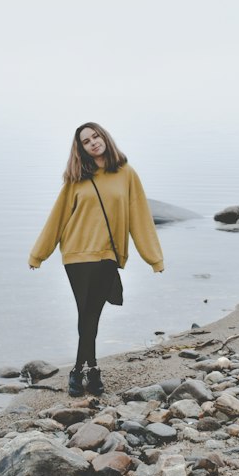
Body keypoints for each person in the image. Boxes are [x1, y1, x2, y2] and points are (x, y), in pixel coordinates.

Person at [29, 122, 164, 398]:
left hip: (107, 256)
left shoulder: (126, 174)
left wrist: (154, 257)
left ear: (104, 137)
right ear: (82, 150)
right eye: (86, 141)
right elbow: (57, 218)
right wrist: (39, 253)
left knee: (91, 314)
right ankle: (86, 371)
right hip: (76, 256)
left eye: (95, 136)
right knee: (87, 312)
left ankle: (83, 370)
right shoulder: (77, 179)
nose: (93, 142)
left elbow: (140, 218)